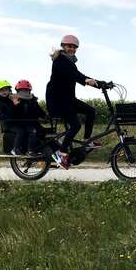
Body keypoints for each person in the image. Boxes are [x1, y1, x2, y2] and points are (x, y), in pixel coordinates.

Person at [46, 34, 101, 169]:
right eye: (69, 46)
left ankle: (86, 141)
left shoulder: (69, 62)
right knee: (76, 125)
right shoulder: (59, 61)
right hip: (58, 102)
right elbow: (75, 75)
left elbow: (79, 75)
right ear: (63, 47)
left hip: (68, 100)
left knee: (90, 111)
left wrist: (100, 83)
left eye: (74, 47)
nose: (72, 49)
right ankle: (61, 153)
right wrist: (85, 81)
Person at [11, 79, 46, 156]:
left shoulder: (33, 100)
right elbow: (13, 114)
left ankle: (39, 149)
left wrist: (45, 116)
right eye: (22, 90)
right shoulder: (16, 100)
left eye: (26, 90)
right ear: (18, 91)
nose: (24, 92)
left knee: (43, 131)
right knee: (32, 131)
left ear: (29, 91)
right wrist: (15, 105)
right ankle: (22, 149)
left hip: (31, 123)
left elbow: (39, 110)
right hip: (21, 124)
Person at [0, 80, 16, 154]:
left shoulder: (10, 99)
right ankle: (14, 149)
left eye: (6, 89)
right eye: (1, 90)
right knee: (16, 132)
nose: (4, 92)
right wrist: (7, 118)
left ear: (9, 90)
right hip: (7, 123)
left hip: (14, 121)